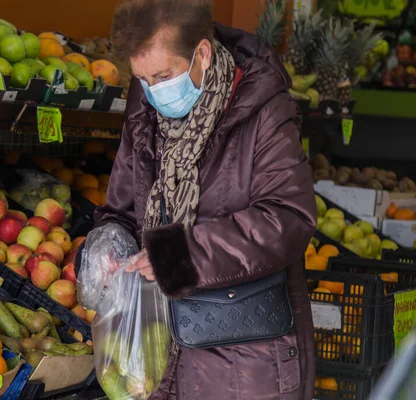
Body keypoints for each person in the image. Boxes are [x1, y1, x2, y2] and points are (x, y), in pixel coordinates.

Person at [81, 0, 318, 398]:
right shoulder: (144, 117)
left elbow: (287, 219)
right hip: (159, 352)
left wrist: (177, 256)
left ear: (202, 54)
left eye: (163, 75)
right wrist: (107, 244)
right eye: (143, 79)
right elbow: (123, 210)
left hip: (244, 362)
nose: (154, 91)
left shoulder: (264, 110)